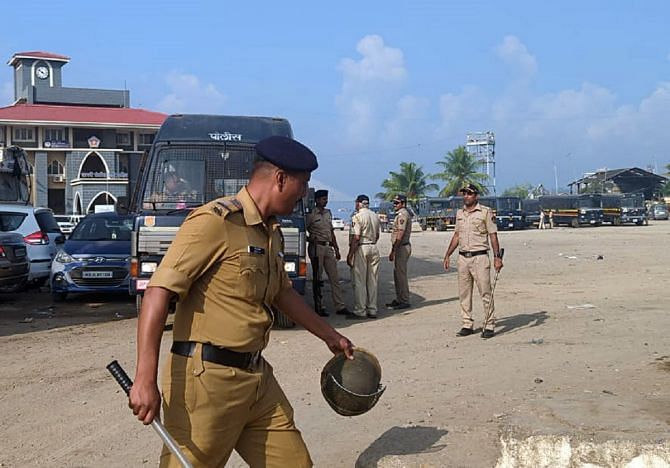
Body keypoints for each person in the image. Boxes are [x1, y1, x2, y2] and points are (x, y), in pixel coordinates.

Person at [129, 135, 354, 467]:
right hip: (208, 383)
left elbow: (281, 292)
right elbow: (158, 292)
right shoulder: (214, 222)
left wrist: (331, 337)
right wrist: (144, 377)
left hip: (257, 380)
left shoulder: (269, 230)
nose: (304, 193)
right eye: (302, 184)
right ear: (280, 179)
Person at [442, 183, 504, 339]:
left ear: (476, 196)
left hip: (480, 257)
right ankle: (467, 323)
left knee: (485, 292)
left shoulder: (485, 212)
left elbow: (493, 235)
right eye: (464, 194)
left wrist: (497, 257)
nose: (466, 197)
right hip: (463, 257)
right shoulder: (460, 214)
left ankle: (489, 324)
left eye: (469, 194)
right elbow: (457, 235)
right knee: (464, 293)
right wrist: (448, 254)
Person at [306, 189, 351, 317]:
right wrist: (311, 239)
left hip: (328, 247)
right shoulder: (311, 215)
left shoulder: (328, 213)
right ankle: (319, 306)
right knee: (318, 278)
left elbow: (331, 232)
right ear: (317, 200)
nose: (325, 201)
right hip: (316, 247)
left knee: (334, 278)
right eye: (323, 199)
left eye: (326, 199)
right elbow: (303, 230)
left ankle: (340, 305)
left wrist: (336, 248)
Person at [346, 194, 381, 319]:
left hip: (362, 247)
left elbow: (356, 237)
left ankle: (360, 310)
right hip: (373, 247)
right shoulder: (375, 216)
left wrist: (350, 254)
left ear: (359, 203)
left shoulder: (357, 217)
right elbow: (377, 235)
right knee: (373, 280)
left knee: (360, 281)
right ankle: (372, 309)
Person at [386, 193, 412, 309]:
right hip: (400, 247)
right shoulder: (400, 214)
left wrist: (393, 250)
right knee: (397, 274)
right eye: (394, 202)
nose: (394, 204)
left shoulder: (403, 215)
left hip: (402, 247)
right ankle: (399, 298)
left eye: (397, 203)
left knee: (401, 275)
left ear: (403, 204)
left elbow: (400, 234)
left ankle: (404, 300)